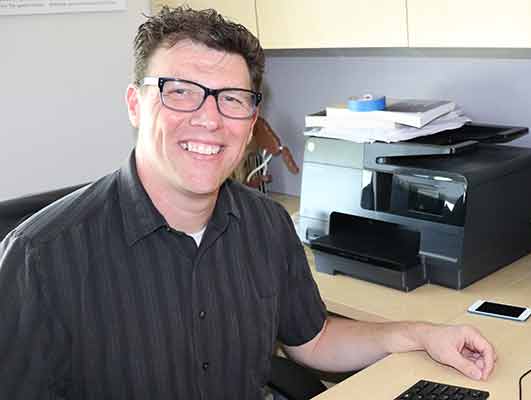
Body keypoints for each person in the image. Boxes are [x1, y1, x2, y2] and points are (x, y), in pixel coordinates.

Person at [0, 7, 495, 399]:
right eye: (181, 92)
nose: (210, 119)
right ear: (135, 104)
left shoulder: (265, 224)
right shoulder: (42, 257)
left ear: (252, 119)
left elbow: (313, 341)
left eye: (232, 98)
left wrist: (422, 334)